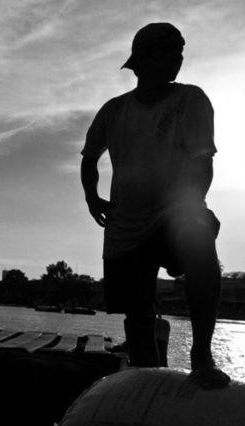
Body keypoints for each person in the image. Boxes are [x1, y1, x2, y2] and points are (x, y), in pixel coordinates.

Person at [80, 22, 230, 389]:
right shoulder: (114, 110)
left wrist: (193, 204)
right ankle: (146, 373)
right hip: (125, 221)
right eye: (169, 52)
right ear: (143, 60)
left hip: (174, 211)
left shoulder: (191, 100)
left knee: (199, 241)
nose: (178, 60)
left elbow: (203, 161)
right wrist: (91, 197)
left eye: (181, 53)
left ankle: (202, 356)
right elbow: (89, 158)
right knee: (138, 308)